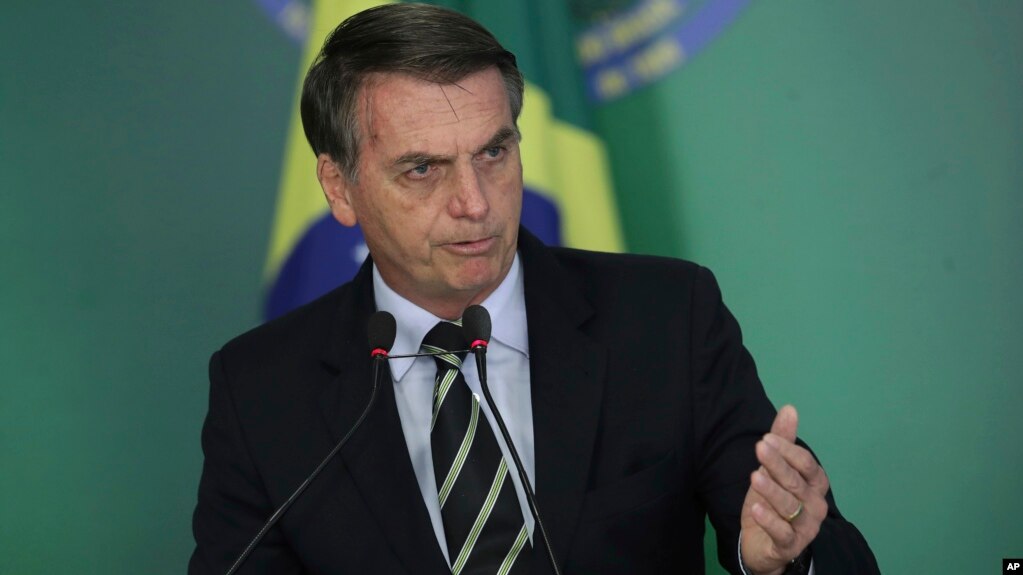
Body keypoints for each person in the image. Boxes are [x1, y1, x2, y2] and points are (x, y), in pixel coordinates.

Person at [189, 4, 879, 574]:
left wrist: (789, 557)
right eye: (423, 169)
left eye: (493, 152)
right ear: (340, 187)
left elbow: (816, 544)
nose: (474, 203)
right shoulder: (260, 390)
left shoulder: (665, 320)